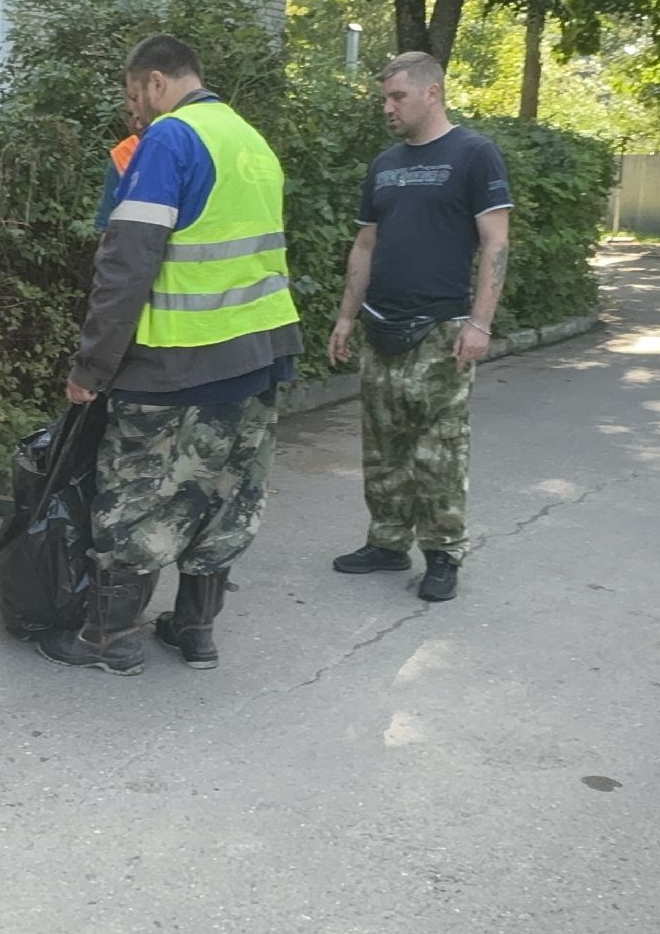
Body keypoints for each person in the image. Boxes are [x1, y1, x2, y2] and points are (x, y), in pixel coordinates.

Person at [41, 34, 304, 675]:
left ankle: (109, 639)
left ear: (156, 83)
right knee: (225, 496)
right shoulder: (249, 139)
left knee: (134, 500)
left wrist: (91, 368)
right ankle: (194, 631)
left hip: (179, 361)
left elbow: (126, 264)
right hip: (261, 353)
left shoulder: (171, 139)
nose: (137, 113)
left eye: (137, 97)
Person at [326, 52, 513, 603]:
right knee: (382, 446)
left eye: (397, 97)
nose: (388, 107)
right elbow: (365, 245)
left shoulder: (474, 155)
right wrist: (345, 315)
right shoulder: (383, 165)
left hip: (442, 329)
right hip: (381, 326)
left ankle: (441, 553)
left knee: (438, 451)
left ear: (432, 93)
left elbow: (495, 242)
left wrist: (480, 322)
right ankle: (386, 544)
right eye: (385, 98)